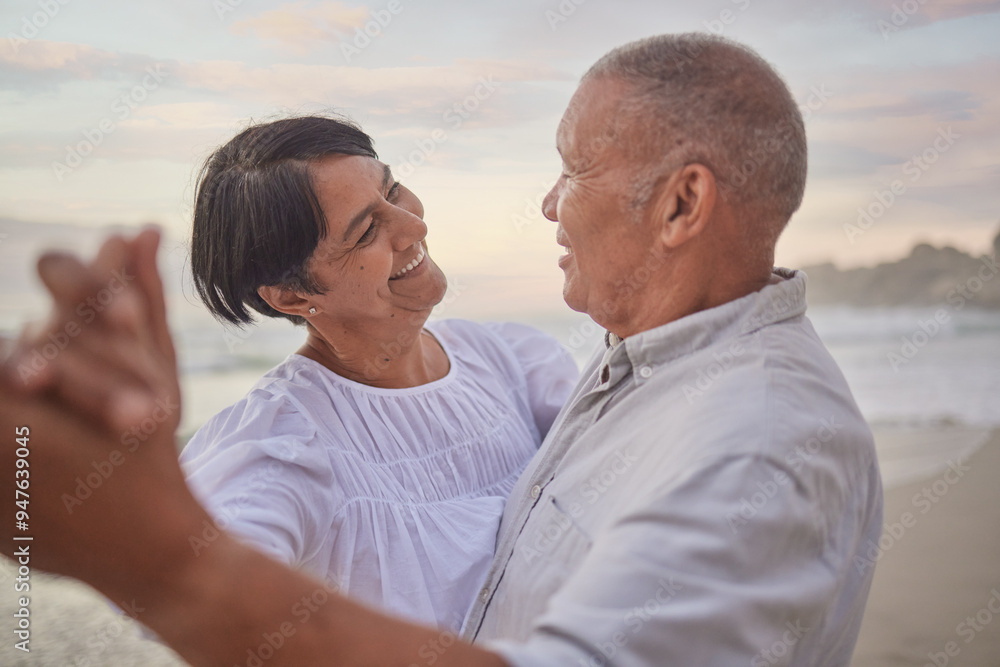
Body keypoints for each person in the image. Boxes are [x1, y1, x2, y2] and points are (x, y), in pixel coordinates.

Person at [1, 33, 882, 666]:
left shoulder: (743, 435)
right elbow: (225, 589)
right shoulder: (280, 448)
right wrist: (134, 520)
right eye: (366, 228)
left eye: (573, 171)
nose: (547, 203)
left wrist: (164, 560)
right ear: (291, 296)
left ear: (683, 207)